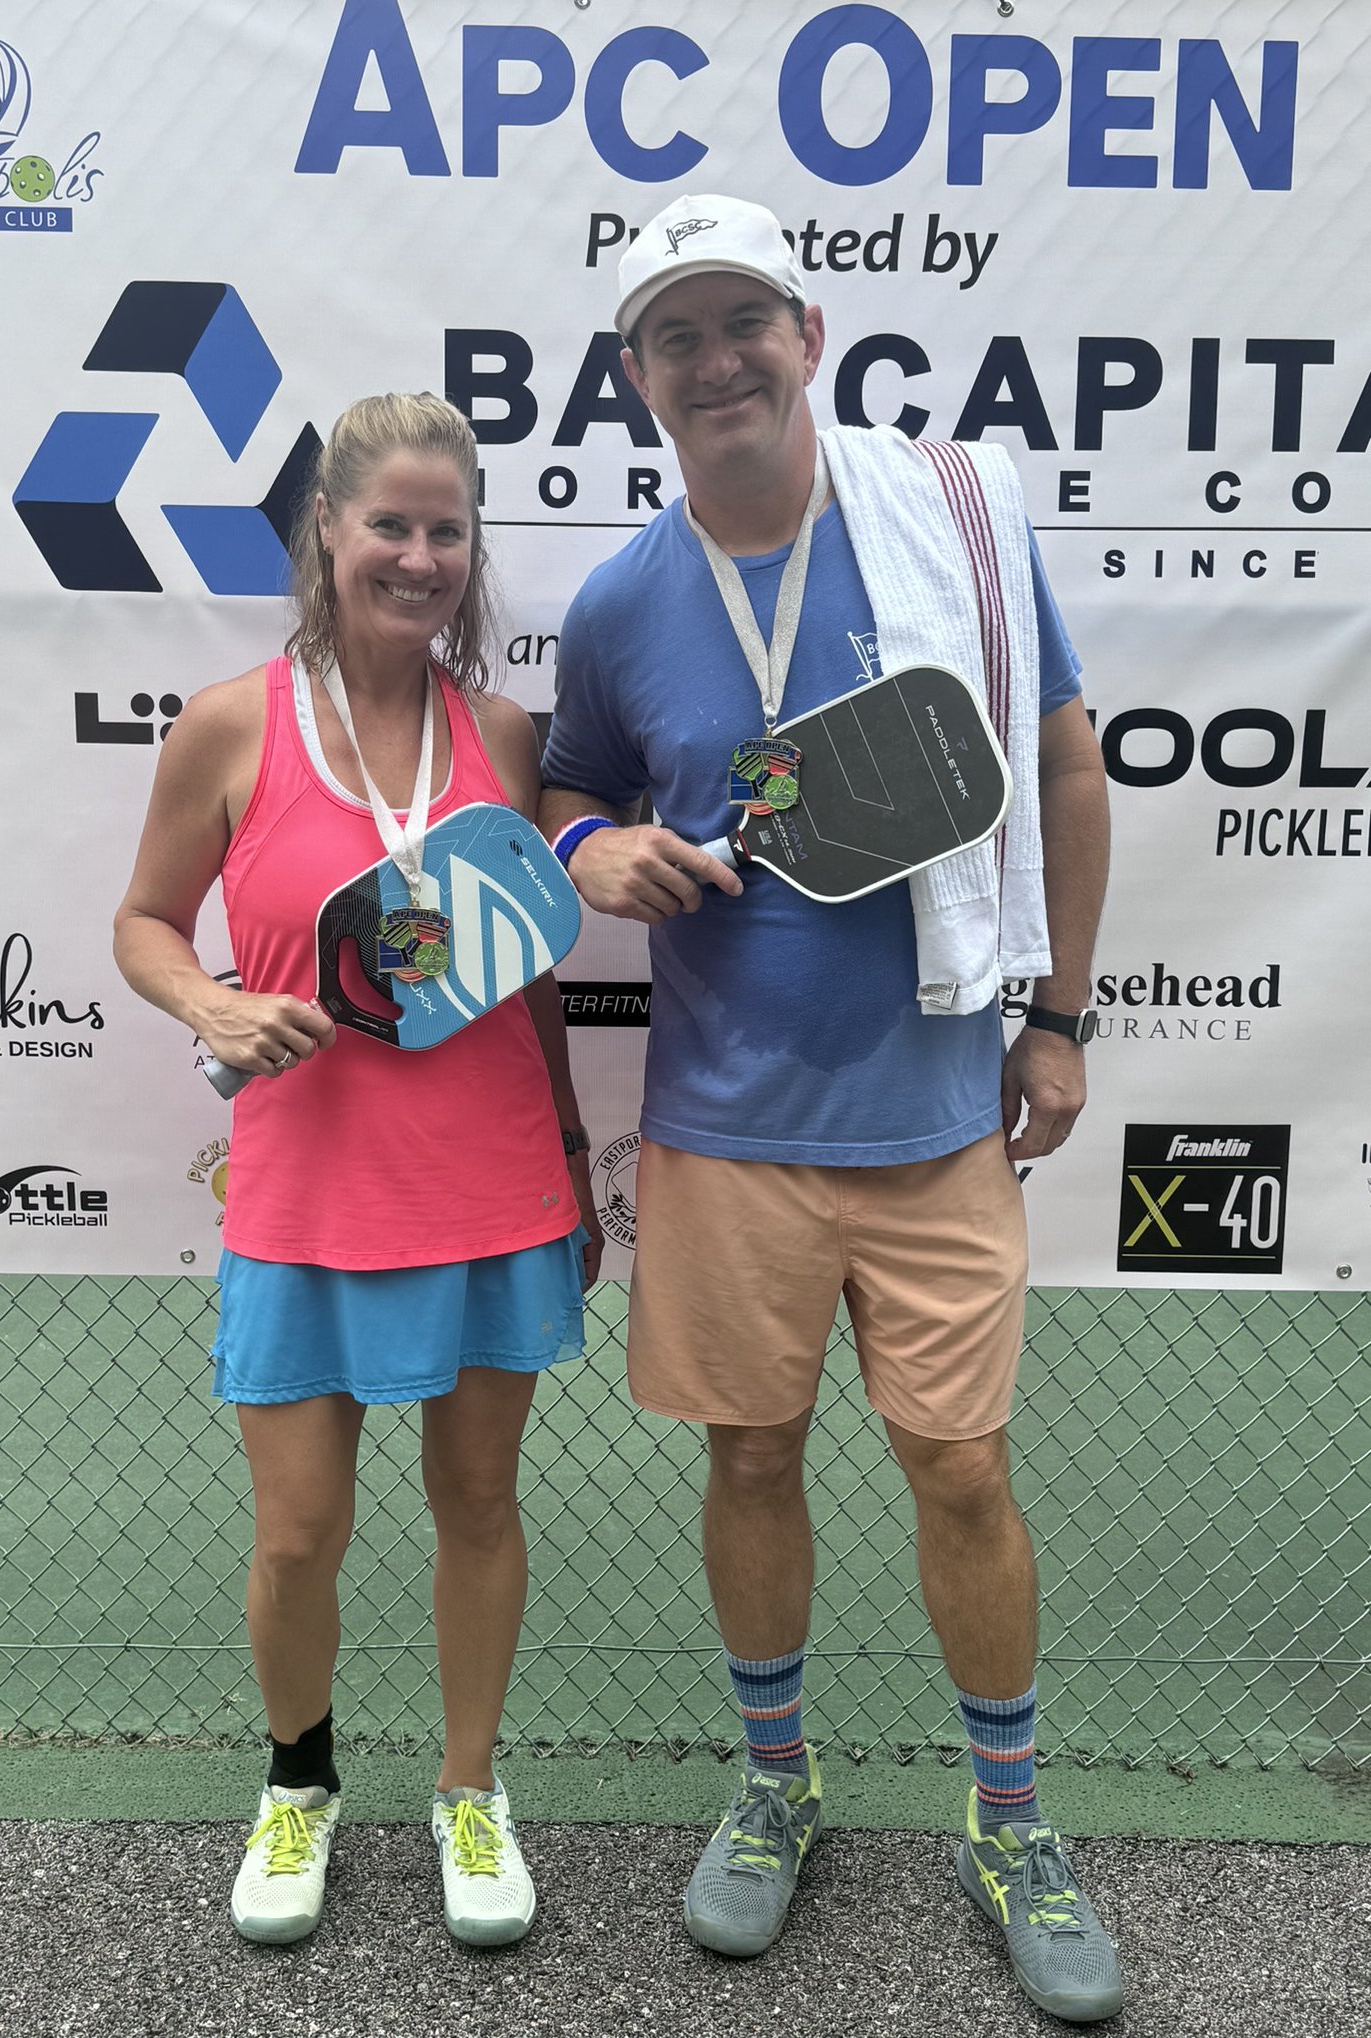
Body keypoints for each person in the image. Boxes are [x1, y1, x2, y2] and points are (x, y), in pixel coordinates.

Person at [537, 196, 1121, 2023]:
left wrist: (1060, 1017)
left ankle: (1008, 1816)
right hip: (722, 1131)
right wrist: (592, 844)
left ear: (808, 325)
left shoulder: (950, 517)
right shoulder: (629, 596)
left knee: (960, 1467)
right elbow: (566, 785)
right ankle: (776, 1781)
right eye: (672, 339)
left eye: (740, 324)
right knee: (751, 1456)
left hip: (940, 1109)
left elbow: (1063, 767)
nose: (714, 363)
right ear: (636, 378)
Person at [114, 392, 601, 1951]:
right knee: (297, 1531)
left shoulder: (510, 740)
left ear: (475, 548)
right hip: (307, 1192)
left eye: (447, 529)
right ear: (325, 531)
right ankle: (300, 1780)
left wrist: (579, 1154)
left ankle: (469, 1788)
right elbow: (142, 922)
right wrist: (207, 999)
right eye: (387, 523)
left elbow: (531, 974)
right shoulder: (229, 722)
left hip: (491, 1182)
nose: (418, 554)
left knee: (478, 1503)